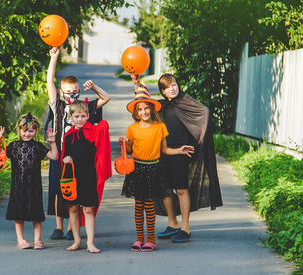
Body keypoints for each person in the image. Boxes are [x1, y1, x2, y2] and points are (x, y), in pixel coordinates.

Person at [132, 73, 222, 243]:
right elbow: (142, 104)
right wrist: (136, 84)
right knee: (165, 190)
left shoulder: (186, 101)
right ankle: (172, 224)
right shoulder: (161, 106)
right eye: (167, 87)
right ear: (163, 91)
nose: (172, 89)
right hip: (162, 152)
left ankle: (185, 228)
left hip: (181, 151)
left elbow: (204, 112)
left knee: (181, 189)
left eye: (174, 85)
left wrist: (198, 140)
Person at [45, 47, 111, 240]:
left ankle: (71, 229)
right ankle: (59, 226)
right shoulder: (57, 104)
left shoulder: (83, 107)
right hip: (59, 152)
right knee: (59, 188)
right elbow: (49, 81)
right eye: (67, 92)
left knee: (75, 190)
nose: (71, 94)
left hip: (79, 155)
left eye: (75, 91)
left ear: (79, 91)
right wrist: (54, 58)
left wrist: (95, 87)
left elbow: (105, 98)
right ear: (61, 92)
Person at [120, 86, 194, 252]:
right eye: (140, 109)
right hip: (137, 169)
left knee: (150, 205)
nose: (144, 112)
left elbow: (165, 150)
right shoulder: (132, 128)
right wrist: (125, 144)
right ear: (136, 113)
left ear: (152, 109)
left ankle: (150, 240)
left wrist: (179, 150)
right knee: (138, 205)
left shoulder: (160, 127)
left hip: (153, 169)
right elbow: (130, 150)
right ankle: (139, 238)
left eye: (146, 108)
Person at [0, 113, 58, 249]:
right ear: (19, 130)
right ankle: (21, 240)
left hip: (34, 186)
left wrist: (53, 143)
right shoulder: (14, 146)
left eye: (31, 131)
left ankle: (37, 240)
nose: (27, 134)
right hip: (18, 185)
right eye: (24, 131)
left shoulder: (38, 147)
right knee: (19, 214)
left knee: (36, 214)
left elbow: (54, 156)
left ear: (35, 131)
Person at [61, 100, 111, 253]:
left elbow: (103, 131)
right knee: (74, 209)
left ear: (88, 116)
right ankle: (77, 241)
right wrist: (65, 158)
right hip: (73, 177)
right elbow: (65, 154)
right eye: (77, 116)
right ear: (71, 117)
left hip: (89, 176)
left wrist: (102, 126)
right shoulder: (69, 136)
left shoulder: (93, 132)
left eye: (83, 116)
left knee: (88, 209)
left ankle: (90, 242)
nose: (80, 119)